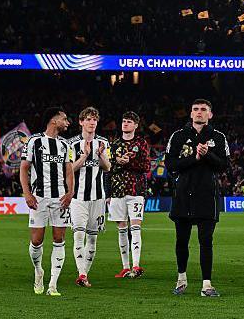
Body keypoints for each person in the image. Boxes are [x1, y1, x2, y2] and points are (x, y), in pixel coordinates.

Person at [164, 99, 230, 297]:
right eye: (195, 109)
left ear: (210, 114)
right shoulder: (178, 136)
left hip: (207, 195)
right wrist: (195, 158)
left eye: (203, 109)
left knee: (206, 240)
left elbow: (224, 166)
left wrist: (208, 154)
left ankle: (206, 285)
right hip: (183, 194)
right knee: (181, 240)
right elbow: (170, 165)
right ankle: (181, 279)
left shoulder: (218, 137)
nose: (199, 112)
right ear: (191, 113)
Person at [20, 107, 75, 296]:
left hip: (60, 198)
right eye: (64, 119)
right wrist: (27, 194)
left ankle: (53, 284)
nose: (67, 122)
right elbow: (24, 168)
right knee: (36, 240)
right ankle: (38, 271)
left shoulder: (65, 144)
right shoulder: (34, 141)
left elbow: (69, 171)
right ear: (54, 120)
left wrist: (70, 193)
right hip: (39, 197)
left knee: (59, 239)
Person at [67, 107, 112, 288]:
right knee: (79, 234)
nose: (92, 122)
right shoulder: (71, 144)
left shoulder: (103, 143)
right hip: (78, 197)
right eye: (88, 119)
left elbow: (107, 167)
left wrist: (100, 154)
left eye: (94, 119)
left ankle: (85, 273)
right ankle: (82, 274)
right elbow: (70, 169)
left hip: (98, 198)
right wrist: (85, 155)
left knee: (92, 238)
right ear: (81, 122)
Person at [108, 111, 152, 278]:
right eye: (124, 121)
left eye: (129, 122)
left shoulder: (141, 143)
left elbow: (147, 166)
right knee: (121, 229)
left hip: (136, 190)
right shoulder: (115, 144)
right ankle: (125, 267)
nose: (125, 124)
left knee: (135, 228)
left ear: (136, 125)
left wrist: (129, 162)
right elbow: (108, 168)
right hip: (117, 191)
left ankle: (136, 265)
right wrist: (118, 163)